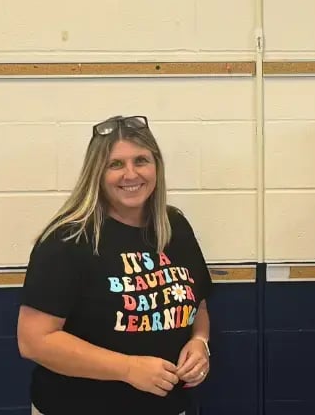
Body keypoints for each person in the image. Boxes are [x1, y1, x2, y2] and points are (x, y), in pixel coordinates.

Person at [17, 115, 213, 415]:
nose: (131, 174)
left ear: (156, 166)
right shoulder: (67, 240)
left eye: (141, 160)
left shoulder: (175, 227)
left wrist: (200, 343)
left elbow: (196, 304)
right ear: (96, 172)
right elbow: (34, 341)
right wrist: (128, 368)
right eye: (116, 164)